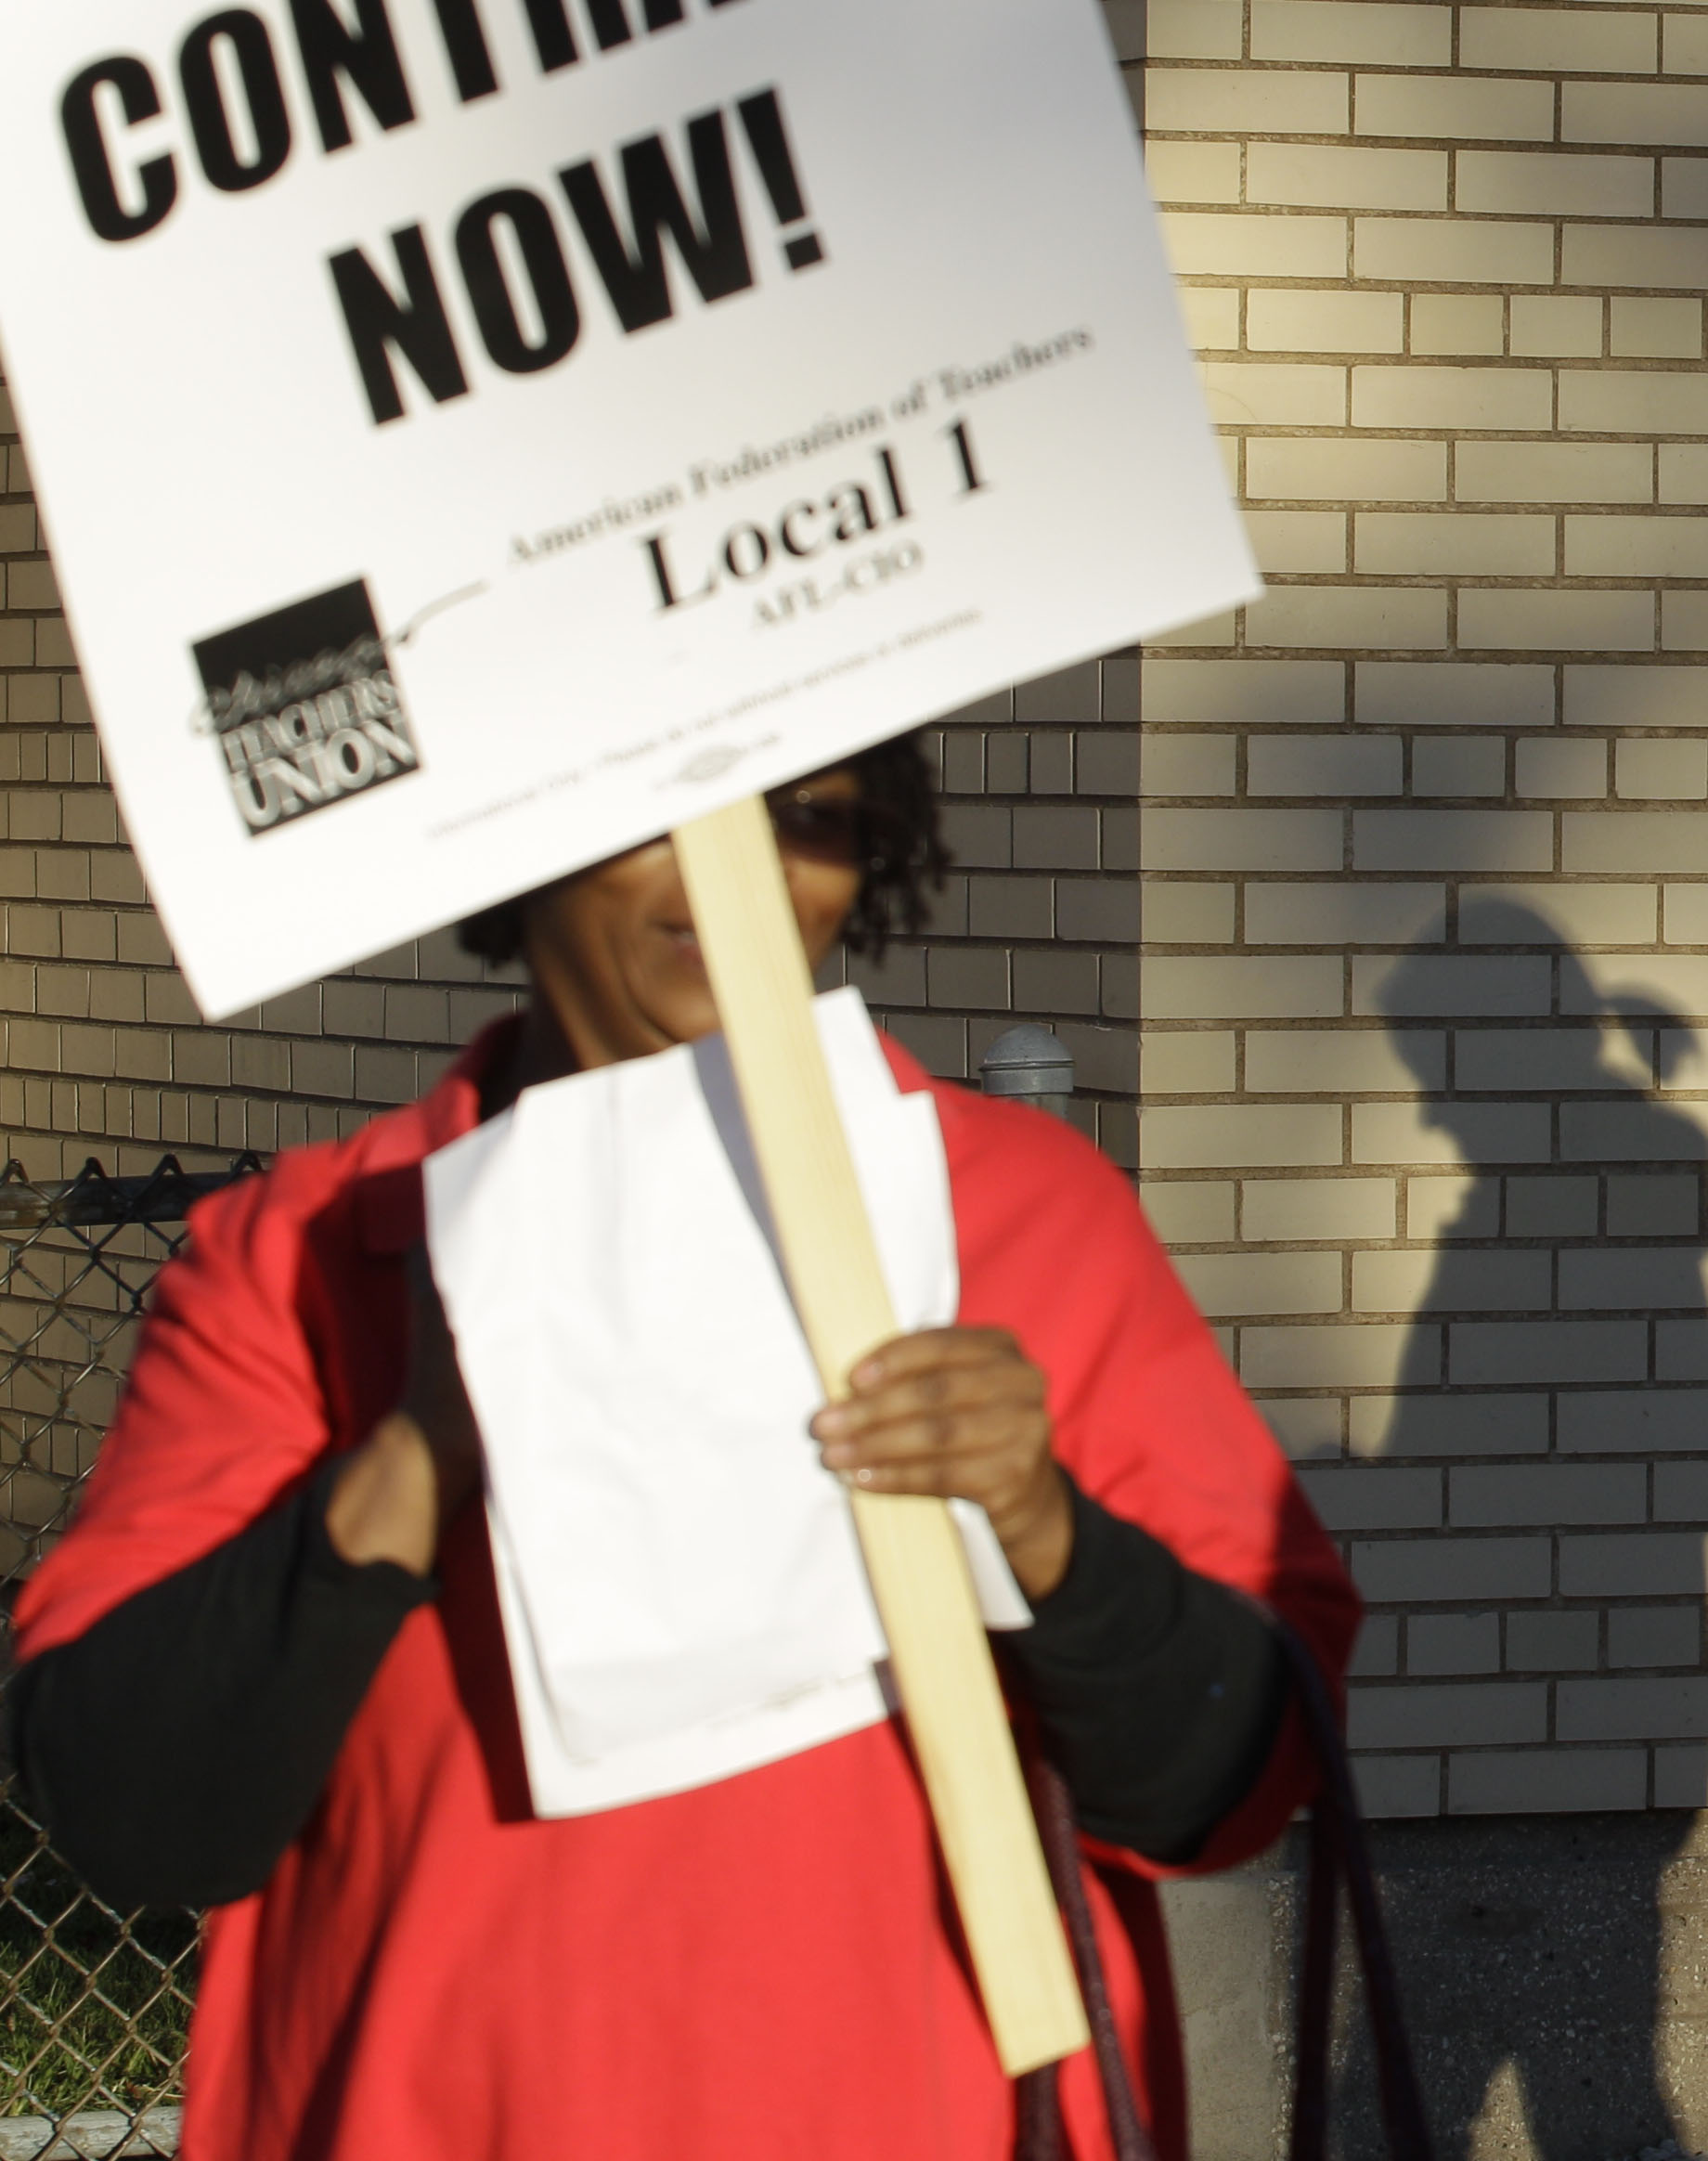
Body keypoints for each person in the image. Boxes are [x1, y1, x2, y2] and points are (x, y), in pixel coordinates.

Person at [8, 738, 1358, 2161]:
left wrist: (1042, 1530)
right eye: (665, 802)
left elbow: (1243, 1775)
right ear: (520, 824)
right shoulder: (308, 1258)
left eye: (809, 814)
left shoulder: (1024, 1218)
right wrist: (413, 1456)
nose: (742, 869)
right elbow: (134, 1818)